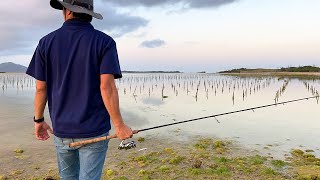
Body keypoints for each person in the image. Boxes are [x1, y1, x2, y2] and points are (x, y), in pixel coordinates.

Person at [26, 0, 133, 179]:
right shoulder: (104, 42)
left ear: (67, 11)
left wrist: (39, 120)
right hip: (95, 128)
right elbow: (107, 87)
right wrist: (119, 125)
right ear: (89, 13)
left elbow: (40, 89)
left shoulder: (46, 42)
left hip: (62, 130)